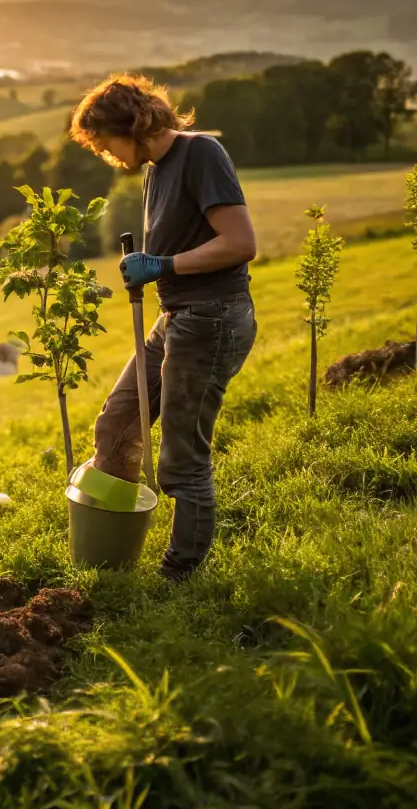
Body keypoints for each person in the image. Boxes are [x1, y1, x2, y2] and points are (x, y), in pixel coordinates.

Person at [69, 74, 258, 581]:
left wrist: (163, 266)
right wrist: (155, 269)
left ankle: (180, 571)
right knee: (118, 423)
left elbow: (240, 243)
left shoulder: (201, 155)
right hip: (176, 317)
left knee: (181, 457)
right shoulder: (157, 169)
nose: (105, 154)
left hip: (212, 318)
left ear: (130, 124)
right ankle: (112, 544)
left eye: (105, 142)